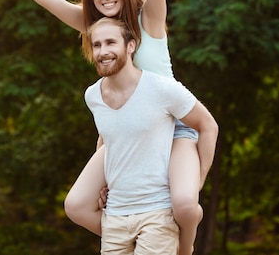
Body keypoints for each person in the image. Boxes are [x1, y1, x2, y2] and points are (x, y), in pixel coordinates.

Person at [0, 0, 203, 254]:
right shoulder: (94, 28)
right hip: (123, 127)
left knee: (184, 205)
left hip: (169, 121)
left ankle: (178, 245)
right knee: (77, 205)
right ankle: (136, 237)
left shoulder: (149, 19)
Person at [82, 17, 218, 254]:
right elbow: (108, 139)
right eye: (97, 45)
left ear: (131, 45)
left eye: (111, 43)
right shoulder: (92, 96)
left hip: (157, 215)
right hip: (114, 218)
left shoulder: (161, 88)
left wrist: (198, 182)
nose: (103, 51)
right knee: (74, 205)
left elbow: (208, 125)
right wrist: (103, 182)